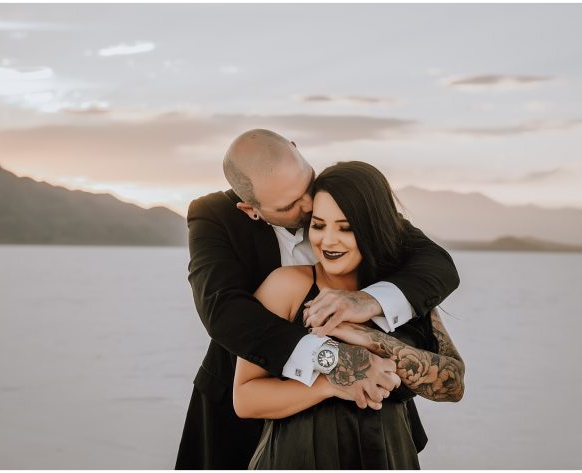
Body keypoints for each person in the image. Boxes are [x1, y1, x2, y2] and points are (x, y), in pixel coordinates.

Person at [176, 130, 460, 469]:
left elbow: (437, 264)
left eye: (307, 186)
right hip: (248, 418)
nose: (309, 206)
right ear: (250, 209)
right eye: (289, 206)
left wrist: (367, 301)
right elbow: (223, 312)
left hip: (373, 429)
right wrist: (332, 361)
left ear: (298, 150)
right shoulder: (214, 217)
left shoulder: (340, 198)